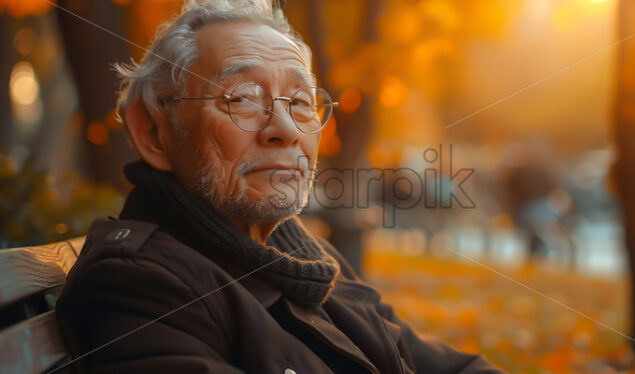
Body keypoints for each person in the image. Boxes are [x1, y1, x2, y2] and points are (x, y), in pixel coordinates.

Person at [55, 1, 506, 373]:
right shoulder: (138, 285)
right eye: (242, 99)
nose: (286, 129)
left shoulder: (300, 253)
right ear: (155, 133)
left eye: (300, 102)